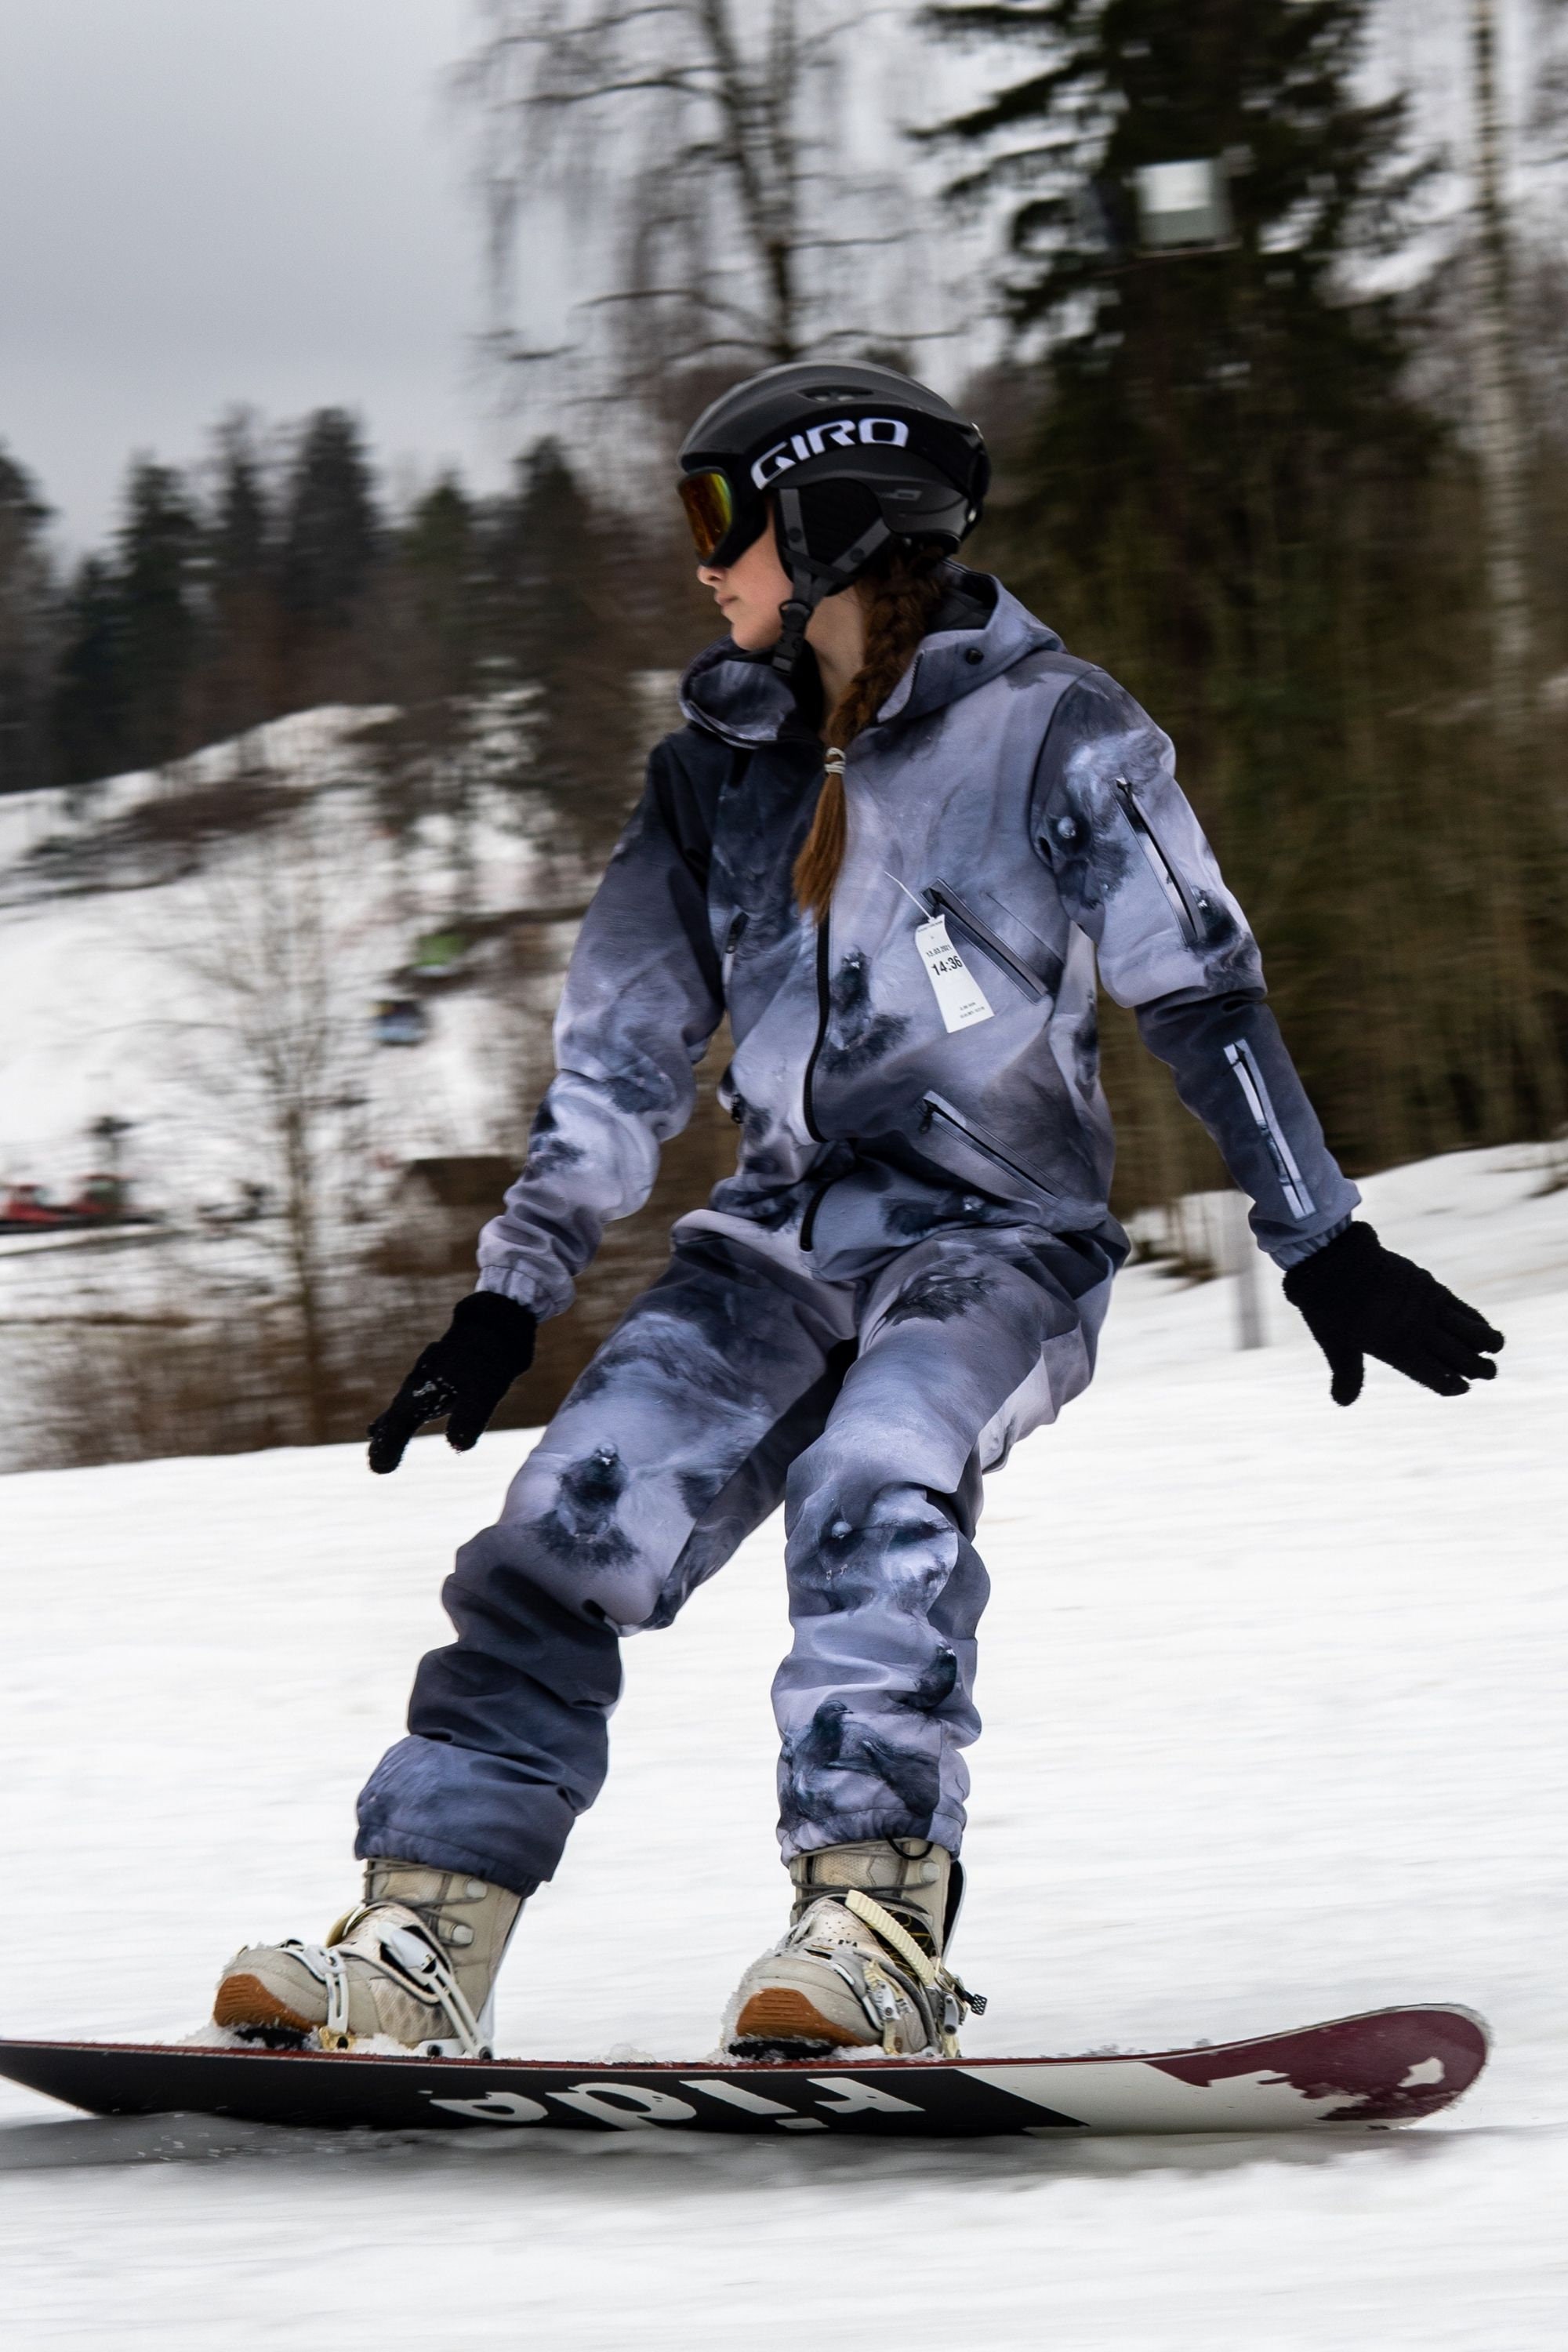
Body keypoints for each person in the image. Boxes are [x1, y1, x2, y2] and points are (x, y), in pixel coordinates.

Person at [214, 362, 1504, 2061]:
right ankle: (424, 1939)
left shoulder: (1060, 732)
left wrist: (1320, 1238)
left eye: (721, 524)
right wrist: (507, 1300)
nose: (704, 569)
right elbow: (618, 1059)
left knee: (871, 1485)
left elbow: (1200, 995)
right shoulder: (713, 775)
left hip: (997, 1247)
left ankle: (874, 1919)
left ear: (827, 528)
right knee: (554, 1532)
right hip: (773, 1247)